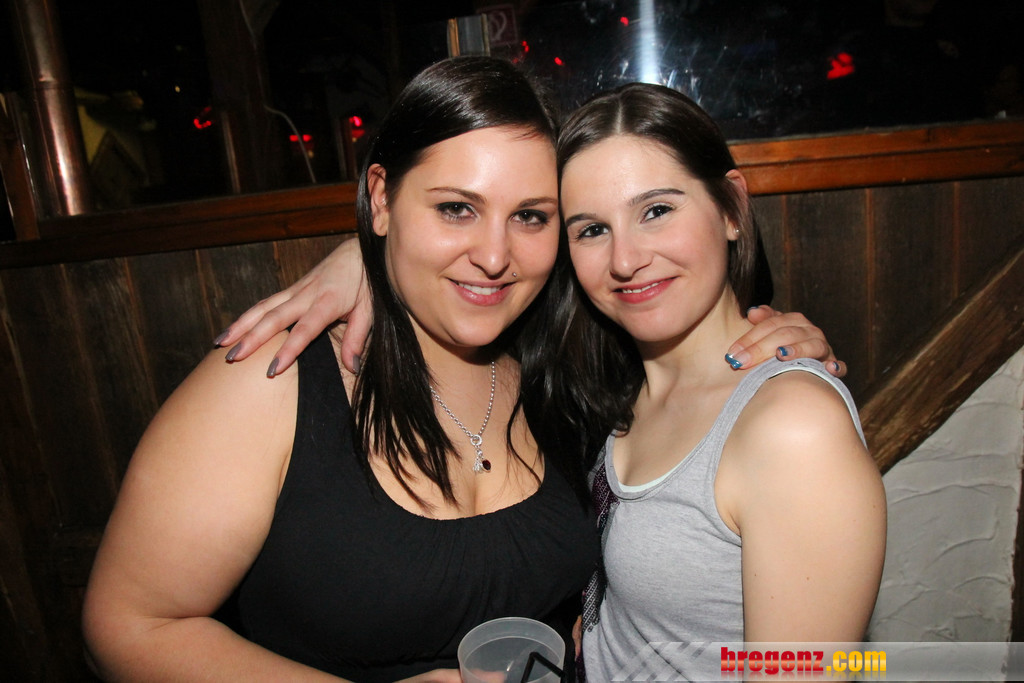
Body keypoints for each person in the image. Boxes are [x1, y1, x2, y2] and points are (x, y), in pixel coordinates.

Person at [82, 56, 602, 683]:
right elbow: (126, 628)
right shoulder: (271, 378)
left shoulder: (562, 364)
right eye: (456, 209)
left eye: (529, 216)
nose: (495, 256)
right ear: (382, 198)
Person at [554, 83, 886, 680]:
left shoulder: (794, 428)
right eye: (592, 230)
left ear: (731, 208)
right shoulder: (613, 382)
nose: (625, 260)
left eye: (657, 210)